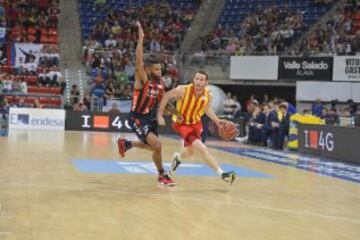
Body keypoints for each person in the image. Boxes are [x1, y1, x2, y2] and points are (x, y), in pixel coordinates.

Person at [117, 21, 175, 186]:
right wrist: (141, 38)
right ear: (149, 70)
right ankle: (162, 175)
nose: (160, 71)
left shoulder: (161, 84)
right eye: (156, 69)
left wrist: (178, 114)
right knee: (156, 145)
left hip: (150, 117)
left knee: (152, 147)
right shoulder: (142, 80)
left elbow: (164, 103)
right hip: (137, 117)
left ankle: (126, 143)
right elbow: (139, 60)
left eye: (160, 69)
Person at [157, 70, 236, 184]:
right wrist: (161, 115)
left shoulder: (208, 95)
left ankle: (175, 162)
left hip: (195, 124)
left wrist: (217, 121)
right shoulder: (182, 90)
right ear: (193, 80)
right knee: (202, 148)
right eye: (197, 79)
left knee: (189, 152)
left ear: (206, 82)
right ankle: (223, 175)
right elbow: (165, 96)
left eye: (201, 80)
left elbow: (206, 109)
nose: (198, 82)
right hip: (182, 124)